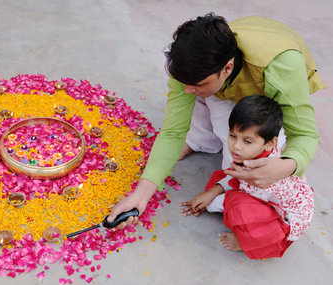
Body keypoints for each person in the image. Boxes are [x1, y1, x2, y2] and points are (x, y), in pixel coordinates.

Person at [107, 13, 325, 227]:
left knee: (241, 158)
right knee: (185, 84)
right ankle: (200, 138)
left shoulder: (281, 70)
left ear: (227, 68)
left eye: (197, 84)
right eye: (186, 83)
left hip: (263, 93)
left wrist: (286, 166)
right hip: (223, 82)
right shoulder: (192, 71)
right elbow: (173, 131)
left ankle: (212, 133)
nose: (187, 91)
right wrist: (141, 195)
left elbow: (305, 135)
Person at [180, 95, 314, 258]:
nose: (236, 146)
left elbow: (243, 190)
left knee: (237, 208)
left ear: (270, 143)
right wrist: (212, 193)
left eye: (247, 141)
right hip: (261, 195)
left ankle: (246, 242)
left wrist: (214, 201)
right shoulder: (254, 155)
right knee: (219, 190)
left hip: (285, 220)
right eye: (233, 136)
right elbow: (238, 180)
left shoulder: (265, 173)